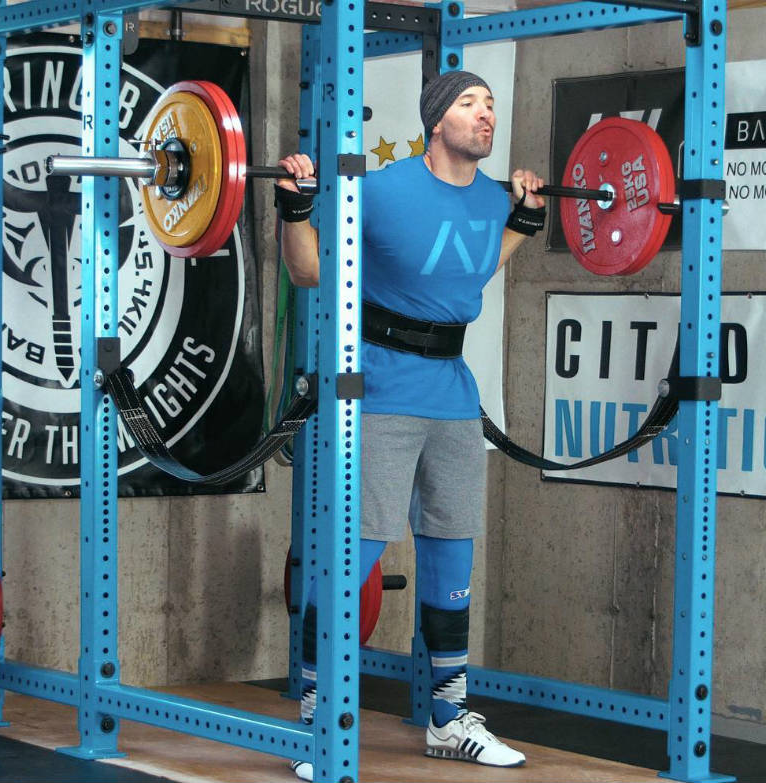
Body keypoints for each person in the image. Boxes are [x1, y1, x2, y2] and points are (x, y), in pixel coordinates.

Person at [274, 70, 546, 781]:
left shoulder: (492, 200)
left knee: (453, 554)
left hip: (454, 396)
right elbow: (308, 274)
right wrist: (294, 210)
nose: (484, 115)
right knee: (353, 555)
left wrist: (521, 223)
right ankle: (312, 712)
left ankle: (451, 718)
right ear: (435, 122)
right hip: (382, 388)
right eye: (468, 104)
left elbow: (470, 269)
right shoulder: (381, 190)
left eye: (490, 105)